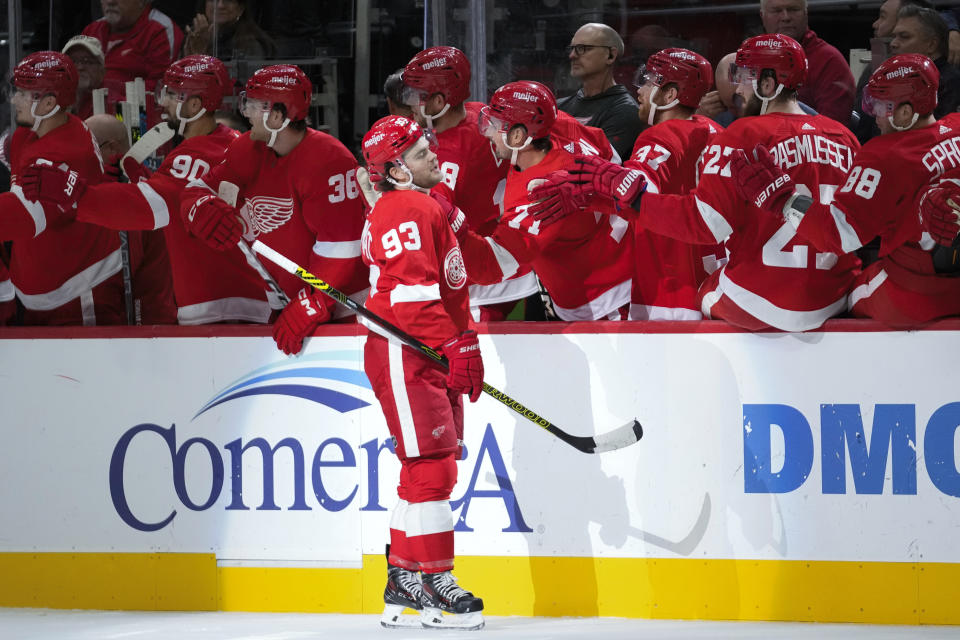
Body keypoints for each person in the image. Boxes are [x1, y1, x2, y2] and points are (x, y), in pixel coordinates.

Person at [531, 34, 861, 332]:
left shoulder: (734, 135)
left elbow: (662, 199)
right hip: (827, 294)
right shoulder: (843, 136)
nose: (739, 88)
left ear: (769, 82)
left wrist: (601, 191)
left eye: (744, 78)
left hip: (693, 288)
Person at [22, 55, 274, 325]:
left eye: (172, 94)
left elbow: (141, 209)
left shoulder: (192, 155)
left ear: (196, 105)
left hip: (220, 309)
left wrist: (75, 193)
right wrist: (149, 182)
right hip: (251, 299)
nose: (162, 101)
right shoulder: (229, 142)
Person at [360, 115, 485, 631]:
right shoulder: (408, 206)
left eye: (427, 144)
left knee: (426, 469)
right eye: (416, 153)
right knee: (431, 466)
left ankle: (404, 579)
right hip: (407, 348)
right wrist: (457, 342)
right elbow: (411, 299)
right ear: (396, 171)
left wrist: (461, 340)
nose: (432, 155)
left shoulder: (419, 203)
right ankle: (436, 582)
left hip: (423, 348)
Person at [732, 55, 960, 328]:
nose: (873, 114)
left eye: (881, 105)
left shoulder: (884, 156)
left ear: (905, 113)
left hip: (915, 295)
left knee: (848, 295)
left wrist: (783, 199)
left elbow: (838, 235)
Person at [180, 63, 368, 348]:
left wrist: (315, 300)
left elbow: (342, 247)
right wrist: (200, 207)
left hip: (345, 308)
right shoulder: (248, 149)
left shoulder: (330, 161)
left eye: (253, 105)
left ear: (277, 116)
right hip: (286, 300)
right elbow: (198, 189)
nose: (245, 113)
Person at [460, 81, 633, 322]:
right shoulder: (559, 123)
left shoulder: (541, 193)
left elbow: (491, 265)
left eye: (495, 125)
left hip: (602, 296)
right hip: (615, 257)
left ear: (518, 136)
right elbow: (612, 159)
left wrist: (449, 222)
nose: (487, 131)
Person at [400, 46, 538, 321]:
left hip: (481, 281)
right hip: (516, 264)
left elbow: (426, 225)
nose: (410, 103)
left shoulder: (443, 159)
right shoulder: (483, 116)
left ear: (439, 102)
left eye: (416, 96)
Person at [0, 51, 127, 325]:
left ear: (47, 103)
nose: (14, 99)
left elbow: (24, 216)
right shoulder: (31, 132)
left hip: (81, 293)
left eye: (23, 93)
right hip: (43, 291)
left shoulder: (68, 152)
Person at [620, 48, 726, 320]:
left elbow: (633, 191)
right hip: (719, 282)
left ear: (670, 95)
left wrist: (604, 181)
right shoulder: (718, 131)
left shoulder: (659, 135)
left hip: (669, 289)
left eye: (649, 81)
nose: (640, 91)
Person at [759, 0, 855, 125]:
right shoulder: (751, 58)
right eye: (777, 11)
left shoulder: (829, 61)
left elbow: (832, 130)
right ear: (762, 16)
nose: (786, 17)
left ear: (806, 13)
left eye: (793, 9)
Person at [558, 23, 643, 161]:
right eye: (572, 48)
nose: (572, 55)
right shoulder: (558, 106)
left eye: (582, 48)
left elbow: (595, 169)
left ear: (610, 55)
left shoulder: (626, 112)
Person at [82, 0, 184, 105]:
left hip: (130, 115)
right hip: (87, 112)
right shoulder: (92, 30)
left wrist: (109, 92)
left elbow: (160, 92)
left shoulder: (160, 31)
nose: (110, 1)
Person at [890, 5, 960, 117]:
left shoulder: (952, 84)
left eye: (904, 36)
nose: (893, 43)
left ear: (931, 45)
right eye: (894, 36)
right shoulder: (893, 77)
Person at [183, 0, 278, 59]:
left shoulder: (250, 44)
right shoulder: (194, 35)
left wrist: (200, 55)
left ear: (241, 8)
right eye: (213, 0)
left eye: (228, 0)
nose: (220, 5)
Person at [61, 35, 106, 121]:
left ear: (102, 71)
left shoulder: (114, 104)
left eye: (87, 61)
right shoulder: (52, 103)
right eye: (72, 61)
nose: (80, 67)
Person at [697, 52, 739, 126]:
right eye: (730, 107)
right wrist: (698, 120)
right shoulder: (715, 114)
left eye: (740, 101)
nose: (737, 112)